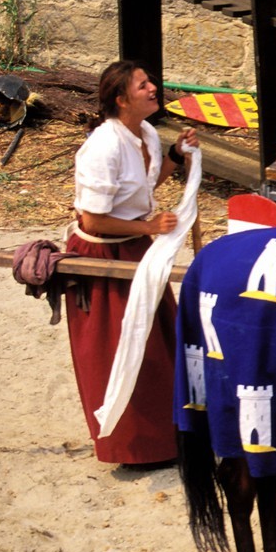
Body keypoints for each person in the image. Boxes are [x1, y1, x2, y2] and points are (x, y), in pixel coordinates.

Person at [65, 60, 198, 465]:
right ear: (121, 100)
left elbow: (144, 186)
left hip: (136, 247)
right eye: (143, 85)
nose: (153, 88)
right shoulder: (103, 147)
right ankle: (133, 448)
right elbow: (92, 219)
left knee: (158, 341)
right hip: (101, 256)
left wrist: (175, 155)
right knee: (117, 349)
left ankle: (167, 439)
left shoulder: (146, 135)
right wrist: (149, 226)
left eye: (150, 82)